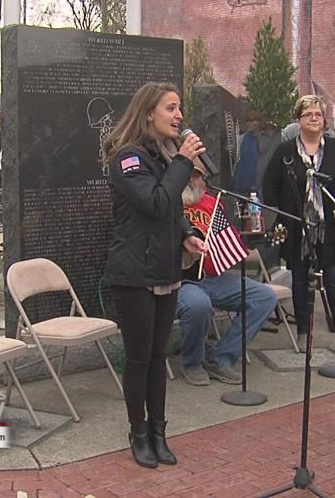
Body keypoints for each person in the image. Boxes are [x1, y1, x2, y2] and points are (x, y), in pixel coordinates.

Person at [101, 82, 207, 469]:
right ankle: (139, 432)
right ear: (149, 113)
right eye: (171, 108)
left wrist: (187, 234)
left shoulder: (162, 157)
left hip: (164, 268)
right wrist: (182, 161)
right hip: (134, 274)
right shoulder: (128, 159)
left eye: (179, 108)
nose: (179, 115)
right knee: (140, 358)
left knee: (160, 355)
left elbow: (171, 211)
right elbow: (156, 200)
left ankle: (160, 431)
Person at [263, 95, 335, 357]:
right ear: (298, 120)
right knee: (300, 280)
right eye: (308, 115)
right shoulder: (285, 153)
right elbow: (269, 187)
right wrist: (279, 219)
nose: (314, 118)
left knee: (334, 280)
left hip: (331, 230)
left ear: (324, 120)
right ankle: (304, 331)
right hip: (297, 229)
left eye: (318, 114)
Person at [177, 163, 277, 386]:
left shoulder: (214, 205)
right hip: (181, 281)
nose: (191, 180)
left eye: (196, 175)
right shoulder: (168, 204)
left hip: (214, 278)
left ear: (204, 180)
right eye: (186, 174)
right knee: (198, 304)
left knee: (264, 297)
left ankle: (220, 357)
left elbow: (230, 242)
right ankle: (192, 363)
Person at [233, 109, 281, 195]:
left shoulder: (267, 138)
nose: (249, 124)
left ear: (259, 122)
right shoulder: (242, 138)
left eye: (252, 121)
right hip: (241, 182)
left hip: (258, 183)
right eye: (247, 121)